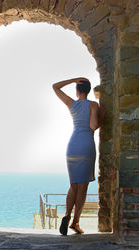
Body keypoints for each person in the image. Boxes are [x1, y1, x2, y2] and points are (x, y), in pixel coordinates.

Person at [52, 77, 104, 235]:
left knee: (73, 185)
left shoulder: (72, 104)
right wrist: (102, 116)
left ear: (77, 90)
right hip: (85, 146)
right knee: (83, 187)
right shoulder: (93, 105)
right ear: (88, 90)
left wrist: (75, 79)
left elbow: (55, 86)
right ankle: (75, 222)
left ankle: (66, 215)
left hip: (72, 146)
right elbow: (93, 126)